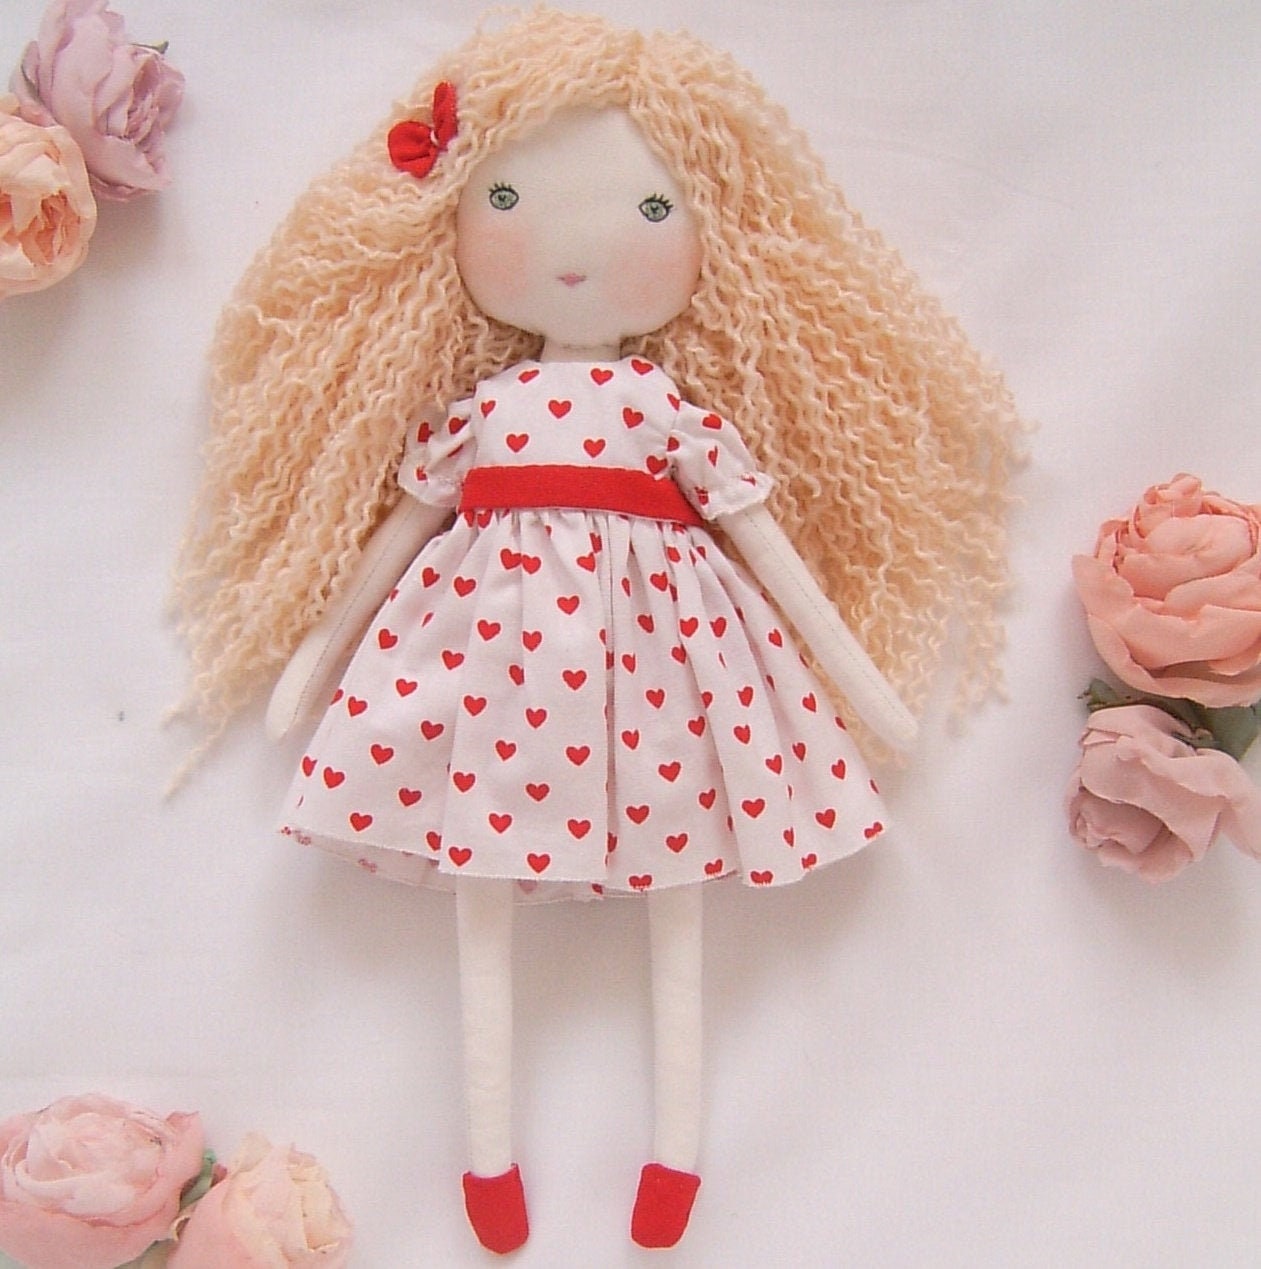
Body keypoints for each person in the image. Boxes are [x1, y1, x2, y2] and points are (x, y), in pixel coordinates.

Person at [175, 9, 1019, 1252]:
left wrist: (864, 688)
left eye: (649, 210)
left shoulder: (664, 409)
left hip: (662, 664)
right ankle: (489, 1159)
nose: (576, 245)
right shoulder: (485, 411)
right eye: (508, 199)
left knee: (674, 888)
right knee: (481, 876)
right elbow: (395, 537)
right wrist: (311, 661)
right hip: (486, 661)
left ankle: (673, 1157)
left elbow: (763, 543)